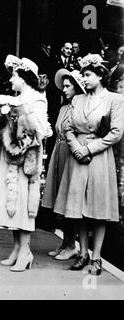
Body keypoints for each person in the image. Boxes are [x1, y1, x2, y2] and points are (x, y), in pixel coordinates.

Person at [54, 54, 124, 275]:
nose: (83, 79)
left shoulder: (115, 99)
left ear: (101, 75)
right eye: (82, 74)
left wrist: (88, 149)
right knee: (79, 208)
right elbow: (68, 128)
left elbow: (116, 133)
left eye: (87, 74)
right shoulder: (78, 100)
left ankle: (97, 257)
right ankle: (82, 253)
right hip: (78, 156)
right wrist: (75, 147)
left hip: (99, 156)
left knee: (98, 208)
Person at [0, 55, 52, 271]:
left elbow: (40, 130)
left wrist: (18, 118)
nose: (11, 80)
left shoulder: (36, 98)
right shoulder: (13, 99)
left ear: (24, 77)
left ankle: (26, 251)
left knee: (23, 199)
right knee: (11, 198)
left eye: (14, 76)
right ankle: (16, 248)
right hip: (10, 153)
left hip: (26, 156)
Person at [41, 68, 86, 260]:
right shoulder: (63, 107)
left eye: (68, 86)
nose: (64, 89)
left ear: (77, 88)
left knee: (70, 200)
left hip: (71, 155)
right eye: (64, 86)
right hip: (59, 153)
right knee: (60, 200)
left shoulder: (80, 107)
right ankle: (65, 243)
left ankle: (72, 244)